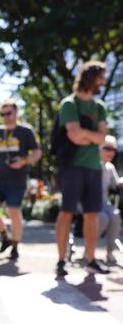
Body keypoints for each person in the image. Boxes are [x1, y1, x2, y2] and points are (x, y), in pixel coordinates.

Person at [55, 60, 109, 277]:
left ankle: (91, 259)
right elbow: (74, 136)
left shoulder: (99, 107)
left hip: (94, 168)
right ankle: (60, 260)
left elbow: (102, 137)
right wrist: (90, 136)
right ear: (90, 78)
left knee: (91, 215)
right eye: (100, 77)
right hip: (72, 167)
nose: (103, 82)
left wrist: (86, 135)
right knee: (66, 212)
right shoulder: (69, 103)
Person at [0, 98, 41, 261]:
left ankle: (15, 246)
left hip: (17, 180)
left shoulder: (25, 131)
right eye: (3, 114)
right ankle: (5, 237)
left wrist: (23, 161)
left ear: (16, 112)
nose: (6, 116)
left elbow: (37, 153)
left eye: (9, 113)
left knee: (14, 212)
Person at [98, 135, 123, 266]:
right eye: (107, 148)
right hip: (88, 203)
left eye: (113, 149)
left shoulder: (110, 167)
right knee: (102, 218)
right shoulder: (93, 165)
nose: (111, 152)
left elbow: (117, 184)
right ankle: (88, 250)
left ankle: (110, 253)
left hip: (103, 202)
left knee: (115, 216)